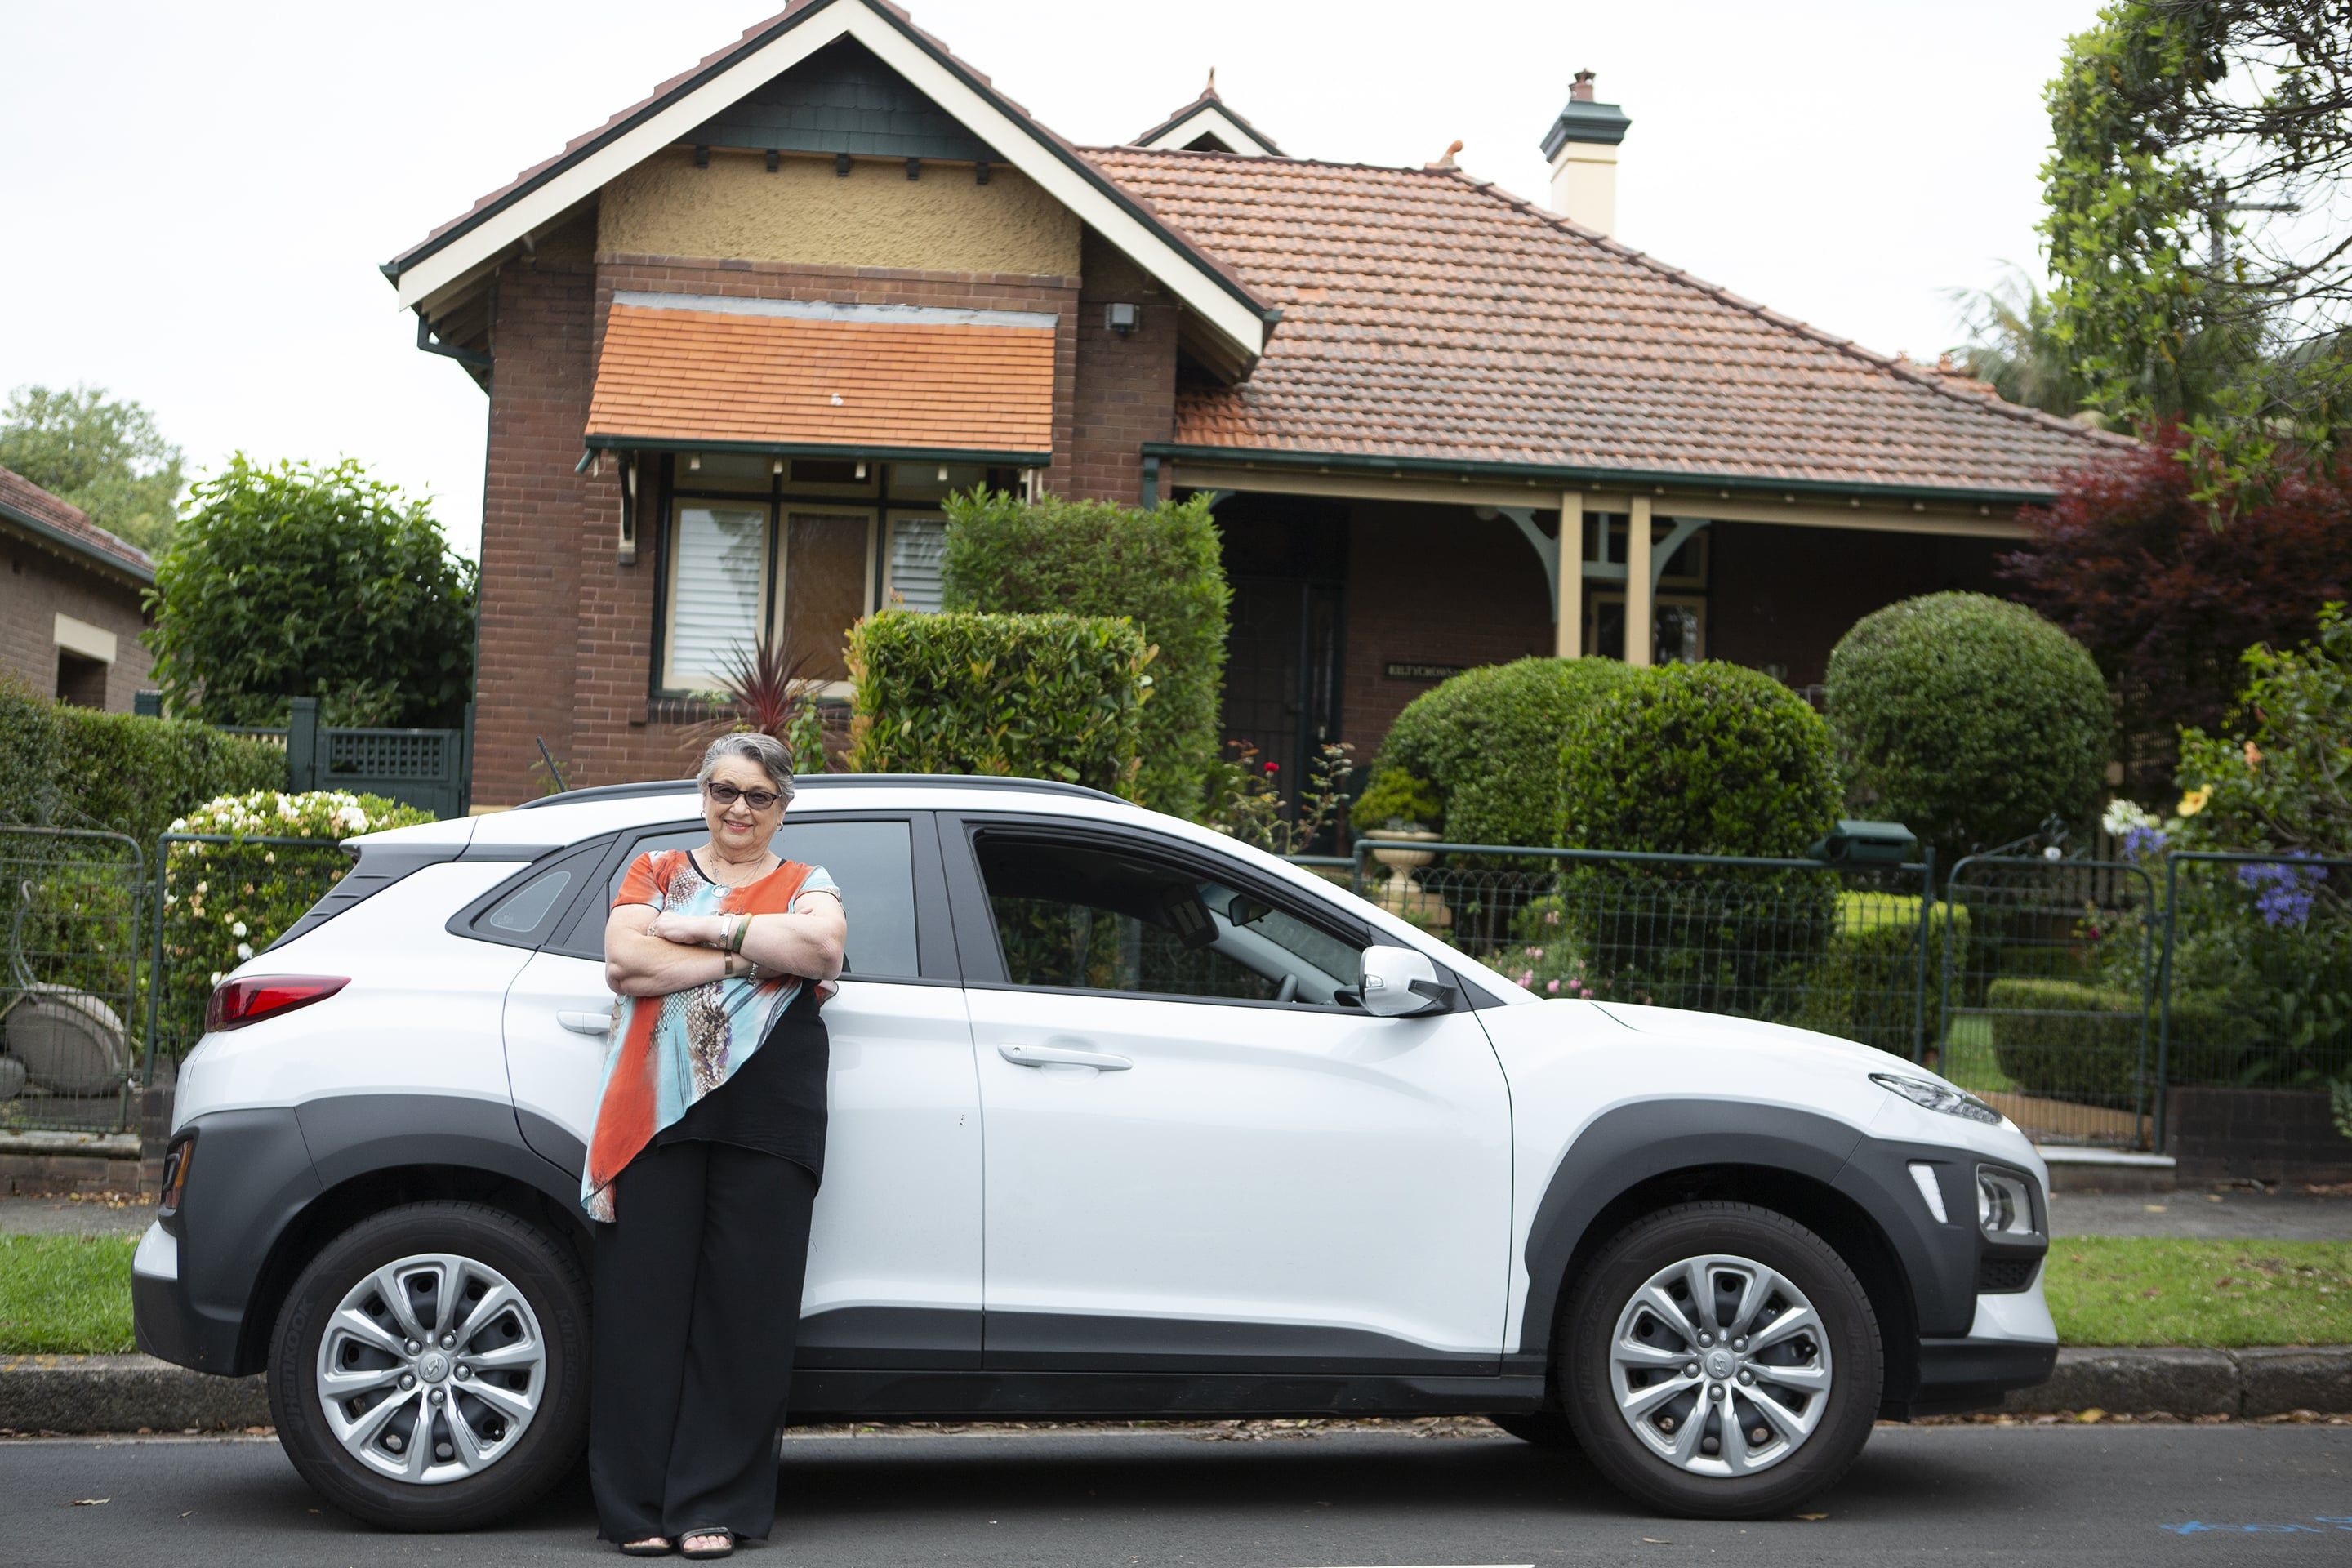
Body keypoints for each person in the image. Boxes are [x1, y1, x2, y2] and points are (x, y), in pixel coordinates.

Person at [582, 733, 846, 1559]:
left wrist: (693, 935)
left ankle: (713, 1505)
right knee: (641, 1312)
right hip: (657, 1115)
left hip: (769, 1114)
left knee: (746, 1316)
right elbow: (625, 959)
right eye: (724, 790)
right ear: (702, 793)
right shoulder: (652, 869)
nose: (738, 808)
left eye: (758, 795)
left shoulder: (808, 883)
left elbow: (821, 949)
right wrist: (750, 953)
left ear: (783, 806)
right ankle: (635, 1509)